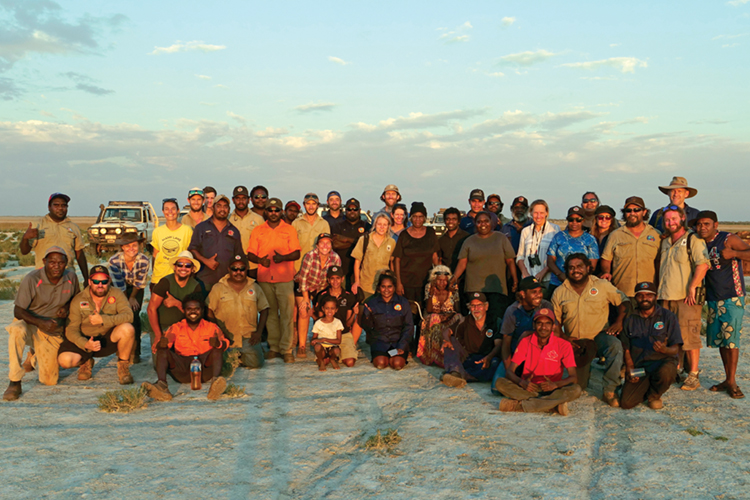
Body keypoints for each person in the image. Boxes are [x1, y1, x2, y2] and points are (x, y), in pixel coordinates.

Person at [552, 253, 628, 407]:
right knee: (579, 386)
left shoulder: (602, 285)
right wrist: (565, 338)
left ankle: (610, 390)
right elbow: (554, 322)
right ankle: (585, 373)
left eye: (579, 266)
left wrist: (619, 321)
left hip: (599, 336)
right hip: (577, 343)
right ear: (566, 270)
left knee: (615, 345)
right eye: (571, 268)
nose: (576, 270)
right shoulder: (559, 292)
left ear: (588, 267)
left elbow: (624, 301)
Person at [3, 247, 79, 400]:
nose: (56, 266)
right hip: (30, 323)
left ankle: (34, 355)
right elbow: (18, 311)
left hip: (51, 329)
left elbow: (76, 300)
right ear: (44, 262)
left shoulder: (71, 277)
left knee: (49, 381)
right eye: (52, 262)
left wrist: (66, 308)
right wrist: (40, 322)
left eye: (61, 262)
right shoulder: (32, 279)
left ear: (66, 263)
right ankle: (14, 381)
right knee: (16, 330)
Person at [695, 210, 749, 398]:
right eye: (700, 224)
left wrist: (734, 253)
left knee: (732, 340)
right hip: (713, 297)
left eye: (707, 224)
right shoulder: (699, 242)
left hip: (732, 296)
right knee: (721, 339)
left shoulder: (728, 239)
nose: (703, 227)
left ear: (715, 225)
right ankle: (727, 378)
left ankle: (733, 382)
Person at [657, 205, 709, 390]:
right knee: (672, 336)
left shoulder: (693, 239)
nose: (671, 222)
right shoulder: (665, 241)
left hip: (685, 297)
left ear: (682, 219)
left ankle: (693, 374)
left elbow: (702, 265)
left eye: (674, 218)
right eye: (667, 219)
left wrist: (692, 287)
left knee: (690, 336)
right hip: (666, 296)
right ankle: (677, 370)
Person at [142, 295, 229, 402]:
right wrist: (162, 344)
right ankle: (162, 386)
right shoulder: (176, 327)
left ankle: (215, 385)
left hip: (204, 370)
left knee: (217, 349)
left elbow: (225, 344)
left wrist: (218, 343)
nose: (193, 312)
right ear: (184, 311)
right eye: (189, 309)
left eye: (196, 309)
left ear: (202, 310)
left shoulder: (211, 327)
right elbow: (162, 347)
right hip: (182, 369)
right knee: (163, 352)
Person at [495, 308, 581, 415]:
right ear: (534, 325)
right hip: (529, 388)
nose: (543, 327)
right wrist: (522, 382)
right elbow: (509, 371)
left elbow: (574, 377)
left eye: (547, 323)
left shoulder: (564, 345)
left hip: (552, 389)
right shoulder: (526, 342)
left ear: (553, 326)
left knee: (576, 389)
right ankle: (551, 405)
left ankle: (520, 406)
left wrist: (555, 385)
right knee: (500, 383)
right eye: (539, 323)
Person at [57, 265, 135, 384]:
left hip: (107, 338)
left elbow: (129, 316)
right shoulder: (79, 299)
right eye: (96, 281)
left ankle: (123, 367)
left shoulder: (117, 293)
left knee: (128, 328)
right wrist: (85, 344)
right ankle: (85, 362)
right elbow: (71, 329)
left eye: (104, 281)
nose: (100, 285)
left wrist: (103, 320)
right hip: (85, 340)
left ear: (109, 281)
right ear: (89, 282)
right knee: (65, 361)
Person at [247, 198, 301, 363]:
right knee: (270, 314)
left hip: (285, 278)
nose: (273, 213)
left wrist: (283, 257)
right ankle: (274, 347)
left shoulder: (289, 229)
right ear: (266, 212)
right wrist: (259, 260)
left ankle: (286, 349)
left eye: (276, 210)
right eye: (270, 210)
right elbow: (250, 253)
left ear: (281, 212)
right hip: (264, 278)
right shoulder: (258, 230)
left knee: (286, 314)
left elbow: (297, 253)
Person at [619, 282, 682, 410]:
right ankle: (646, 384)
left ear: (655, 297)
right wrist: (630, 368)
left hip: (661, 363)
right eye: (640, 295)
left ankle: (654, 395)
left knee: (666, 372)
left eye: (649, 295)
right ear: (636, 298)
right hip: (641, 367)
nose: (645, 298)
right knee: (626, 403)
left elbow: (676, 348)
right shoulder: (630, 318)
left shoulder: (668, 316)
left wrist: (665, 350)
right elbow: (625, 347)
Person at [452, 211, 517, 324]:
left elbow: (510, 261)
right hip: (474, 288)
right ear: (475, 223)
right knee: (476, 322)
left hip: (497, 289)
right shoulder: (469, 241)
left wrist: (515, 280)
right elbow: (462, 263)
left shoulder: (501, 238)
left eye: (486, 221)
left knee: (495, 321)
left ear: (491, 222)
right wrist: (454, 278)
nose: (483, 224)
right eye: (479, 222)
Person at [207, 255, 270, 369]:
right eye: (234, 269)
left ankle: (244, 355)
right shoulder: (218, 288)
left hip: (248, 337)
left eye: (242, 269)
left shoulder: (255, 287)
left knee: (257, 364)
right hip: (226, 337)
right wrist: (218, 331)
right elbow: (209, 310)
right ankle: (237, 356)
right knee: (224, 366)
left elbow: (265, 309)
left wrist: (259, 333)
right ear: (229, 270)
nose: (238, 272)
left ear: (246, 269)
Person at [492, 276, 555, 389]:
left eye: (540, 291)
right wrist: (510, 372)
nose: (539, 295)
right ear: (522, 294)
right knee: (496, 388)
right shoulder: (512, 311)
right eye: (534, 292)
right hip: (516, 356)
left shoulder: (546, 306)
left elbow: (554, 333)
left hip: (540, 355)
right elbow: (506, 345)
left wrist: (528, 334)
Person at [393, 201, 440, 347]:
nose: (418, 219)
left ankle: (420, 344)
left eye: (421, 216)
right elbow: (397, 259)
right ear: (410, 218)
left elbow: (435, 257)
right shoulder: (404, 235)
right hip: (406, 281)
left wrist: (437, 279)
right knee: (406, 314)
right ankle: (406, 343)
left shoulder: (431, 233)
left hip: (425, 282)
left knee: (423, 314)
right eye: (415, 216)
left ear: (425, 217)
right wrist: (398, 282)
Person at [147, 251, 205, 360]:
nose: (183, 268)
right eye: (180, 265)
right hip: (162, 326)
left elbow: (197, 315)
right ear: (175, 267)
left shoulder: (196, 286)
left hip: (184, 327)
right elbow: (151, 309)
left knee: (184, 360)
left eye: (188, 265)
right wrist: (158, 335)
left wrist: (177, 303)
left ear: (192, 269)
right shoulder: (165, 282)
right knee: (160, 363)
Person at [600, 196, 660, 299]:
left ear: (644, 212)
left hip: (648, 293)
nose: (632, 213)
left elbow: (659, 262)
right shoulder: (615, 235)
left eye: (637, 210)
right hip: (622, 293)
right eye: (628, 210)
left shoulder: (655, 235)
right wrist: (606, 272)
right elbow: (606, 259)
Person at [20, 193, 88, 282]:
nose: (60, 208)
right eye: (56, 205)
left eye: (64, 205)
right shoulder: (38, 224)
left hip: (67, 275)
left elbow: (79, 254)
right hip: (43, 275)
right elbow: (24, 251)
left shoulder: (73, 227)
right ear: (49, 207)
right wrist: (25, 238)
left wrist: (86, 278)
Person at [295, 233, 341, 358]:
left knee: (323, 312)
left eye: (328, 243)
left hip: (322, 288)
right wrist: (305, 298)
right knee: (304, 311)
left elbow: (336, 279)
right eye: (322, 243)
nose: (325, 246)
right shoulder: (309, 256)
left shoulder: (335, 258)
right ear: (317, 245)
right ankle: (302, 345)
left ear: (331, 245)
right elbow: (303, 278)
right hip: (305, 286)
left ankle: (324, 342)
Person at [441, 292, 500, 388]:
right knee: (450, 342)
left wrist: (488, 357)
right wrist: (447, 340)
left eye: (479, 305)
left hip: (486, 359)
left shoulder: (494, 321)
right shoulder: (464, 320)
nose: (476, 309)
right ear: (469, 308)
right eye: (473, 306)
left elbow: (498, 345)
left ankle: (462, 375)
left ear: (486, 306)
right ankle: (455, 373)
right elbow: (447, 331)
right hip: (468, 358)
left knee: (495, 363)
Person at [108, 232, 150, 363]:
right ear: (122, 248)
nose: (131, 249)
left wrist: (132, 298)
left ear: (139, 245)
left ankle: (135, 352)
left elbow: (139, 282)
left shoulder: (144, 260)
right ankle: (120, 350)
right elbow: (119, 285)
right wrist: (126, 302)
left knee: (134, 316)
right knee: (120, 316)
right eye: (127, 246)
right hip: (118, 289)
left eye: (134, 245)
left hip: (136, 289)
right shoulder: (114, 261)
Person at [189, 194, 244, 291]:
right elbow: (192, 250)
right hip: (204, 279)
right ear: (213, 208)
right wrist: (206, 261)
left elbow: (238, 255)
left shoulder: (234, 231)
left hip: (227, 281)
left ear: (229, 209)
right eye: (219, 206)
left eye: (225, 206)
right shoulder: (201, 228)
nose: (222, 209)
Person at [359, 272, 413, 370]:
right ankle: (384, 356)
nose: (386, 290)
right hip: (380, 342)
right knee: (381, 363)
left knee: (397, 364)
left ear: (394, 287)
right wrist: (367, 315)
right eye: (383, 286)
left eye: (390, 286)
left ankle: (396, 356)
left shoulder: (403, 302)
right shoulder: (372, 302)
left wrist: (402, 345)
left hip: (398, 342)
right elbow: (367, 327)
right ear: (379, 287)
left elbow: (409, 326)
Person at [546, 206, 599, 296]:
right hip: (558, 282)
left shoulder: (590, 239)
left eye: (578, 220)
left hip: (580, 284)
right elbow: (550, 260)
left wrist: (577, 278)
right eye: (571, 219)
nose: (574, 222)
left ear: (583, 220)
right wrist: (560, 274)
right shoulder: (559, 237)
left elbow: (591, 265)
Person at [314, 266, 360, 367]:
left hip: (343, 334)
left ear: (342, 279)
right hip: (326, 334)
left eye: (338, 278)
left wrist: (354, 313)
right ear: (328, 280)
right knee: (323, 361)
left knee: (350, 362)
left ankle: (337, 355)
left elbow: (348, 324)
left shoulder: (348, 296)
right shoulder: (322, 295)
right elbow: (320, 319)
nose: (335, 281)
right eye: (332, 278)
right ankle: (330, 355)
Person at [417, 265, 461, 367]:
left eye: (445, 280)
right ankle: (436, 356)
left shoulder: (453, 287)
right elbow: (429, 310)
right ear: (434, 280)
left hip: (448, 317)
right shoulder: (429, 287)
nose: (442, 283)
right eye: (439, 280)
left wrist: (454, 293)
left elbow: (457, 310)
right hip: (432, 318)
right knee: (434, 318)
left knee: (458, 317)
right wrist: (431, 294)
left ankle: (452, 354)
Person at [516, 199, 560, 297]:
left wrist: (542, 272)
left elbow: (556, 256)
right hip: (528, 279)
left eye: (541, 213)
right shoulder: (526, 231)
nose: (538, 216)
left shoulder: (554, 229)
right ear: (531, 213)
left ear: (546, 213)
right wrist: (525, 273)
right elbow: (520, 256)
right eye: (535, 213)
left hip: (547, 279)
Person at [150, 198, 193, 290]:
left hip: (179, 276)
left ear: (178, 211)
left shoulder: (187, 230)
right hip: (159, 276)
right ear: (163, 211)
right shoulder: (157, 231)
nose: (170, 211)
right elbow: (155, 254)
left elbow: (191, 253)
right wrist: (153, 273)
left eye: (173, 208)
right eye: (166, 209)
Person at [351, 213, 396, 300]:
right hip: (365, 285)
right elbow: (357, 262)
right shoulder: (364, 239)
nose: (382, 227)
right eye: (379, 224)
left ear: (388, 226)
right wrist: (357, 281)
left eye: (384, 225)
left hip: (383, 287)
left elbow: (392, 263)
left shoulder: (392, 242)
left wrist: (393, 282)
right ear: (375, 225)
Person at [331, 197, 369, 285]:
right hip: (342, 270)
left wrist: (346, 239)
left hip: (361, 272)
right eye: (349, 209)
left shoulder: (367, 226)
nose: (352, 211)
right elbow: (335, 245)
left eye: (355, 209)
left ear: (359, 210)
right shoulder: (337, 226)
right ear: (345, 210)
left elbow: (367, 245)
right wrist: (359, 241)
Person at [292, 193, 330, 272]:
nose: (311, 207)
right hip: (299, 267)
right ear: (304, 205)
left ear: (317, 205)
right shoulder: (296, 223)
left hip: (317, 267)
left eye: (314, 204)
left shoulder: (324, 223)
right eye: (308, 204)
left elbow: (328, 247)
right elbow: (291, 247)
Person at [229, 185, 264, 257]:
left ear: (248, 200)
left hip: (253, 264)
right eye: (238, 198)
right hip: (234, 264)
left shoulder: (258, 219)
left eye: (243, 198)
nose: (241, 201)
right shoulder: (228, 219)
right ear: (233, 200)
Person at [311, 296, 344, 371]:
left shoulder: (337, 322)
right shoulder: (318, 323)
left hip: (332, 348)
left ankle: (332, 359)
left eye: (332, 308)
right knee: (317, 347)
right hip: (322, 349)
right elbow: (314, 338)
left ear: (336, 310)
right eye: (327, 308)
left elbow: (339, 341)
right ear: (323, 309)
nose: (329, 311)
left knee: (337, 351)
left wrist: (324, 339)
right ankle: (321, 361)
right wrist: (314, 341)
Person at [437, 207, 469, 271]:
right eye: (448, 219)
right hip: (446, 275)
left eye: (454, 219)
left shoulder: (466, 237)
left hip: (463, 276)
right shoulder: (441, 240)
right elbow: (439, 260)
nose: (450, 222)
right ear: (445, 221)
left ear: (459, 221)